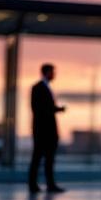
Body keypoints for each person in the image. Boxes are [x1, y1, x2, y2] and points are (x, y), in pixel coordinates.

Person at [28, 63, 65, 193]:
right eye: (52, 72)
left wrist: (56, 109)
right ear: (47, 72)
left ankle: (49, 184)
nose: (54, 75)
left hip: (47, 131)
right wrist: (56, 109)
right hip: (42, 131)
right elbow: (38, 109)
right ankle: (33, 185)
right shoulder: (37, 88)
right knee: (37, 158)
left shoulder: (45, 87)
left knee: (48, 158)